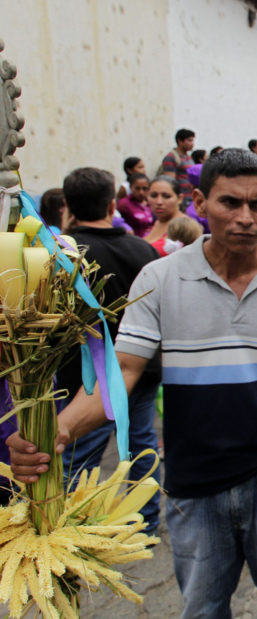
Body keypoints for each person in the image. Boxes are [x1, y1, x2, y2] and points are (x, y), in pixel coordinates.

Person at [7, 148, 257, 617]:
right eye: (231, 203)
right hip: (194, 477)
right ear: (200, 203)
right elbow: (124, 369)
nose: (247, 217)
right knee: (203, 607)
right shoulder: (161, 278)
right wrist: (61, 430)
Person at [56, 167, 162, 533]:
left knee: (79, 451)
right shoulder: (141, 248)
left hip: (85, 379)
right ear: (113, 204)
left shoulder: (61, 254)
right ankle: (146, 522)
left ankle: (71, 526)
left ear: (67, 206)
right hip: (143, 369)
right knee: (139, 443)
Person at [145, 176, 188, 256]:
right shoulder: (157, 222)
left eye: (166, 196)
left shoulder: (185, 226)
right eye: (154, 196)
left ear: (179, 199)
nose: (159, 202)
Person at [116, 172, 154, 237]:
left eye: (145, 188)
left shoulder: (152, 203)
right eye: (137, 188)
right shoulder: (123, 204)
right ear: (131, 187)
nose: (141, 192)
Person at [161, 128, 195, 195]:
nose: (192, 143)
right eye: (189, 140)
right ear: (180, 141)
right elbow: (170, 181)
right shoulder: (171, 157)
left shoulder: (189, 157)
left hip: (190, 196)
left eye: (193, 141)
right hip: (181, 197)